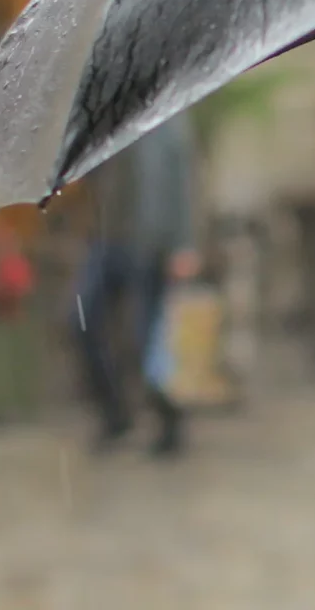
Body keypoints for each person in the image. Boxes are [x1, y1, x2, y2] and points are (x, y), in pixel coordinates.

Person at [72, 116, 196, 458]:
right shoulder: (103, 118)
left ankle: (168, 417)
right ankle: (115, 413)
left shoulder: (168, 120)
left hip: (149, 244)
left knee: (148, 338)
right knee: (82, 318)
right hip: (106, 241)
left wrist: (183, 244)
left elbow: (182, 183)